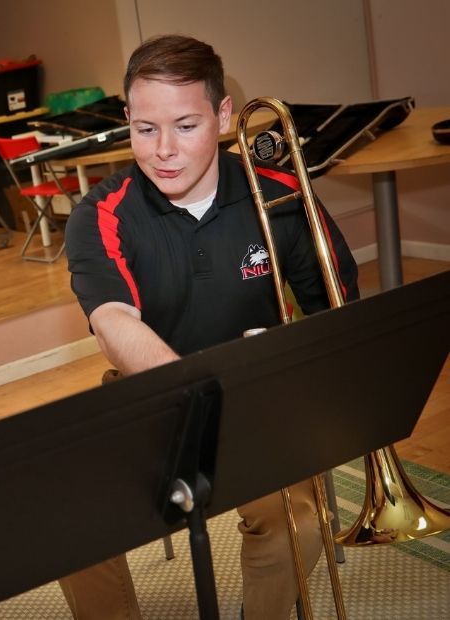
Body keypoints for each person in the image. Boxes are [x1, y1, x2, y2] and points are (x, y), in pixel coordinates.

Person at [62, 35, 359, 619]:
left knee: (297, 520)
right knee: (65, 519)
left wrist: (287, 360)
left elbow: (338, 319)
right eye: (145, 129)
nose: (164, 150)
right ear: (127, 119)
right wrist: (200, 396)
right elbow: (113, 321)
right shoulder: (100, 213)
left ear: (224, 117)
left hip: (259, 400)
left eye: (186, 125)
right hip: (147, 401)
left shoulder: (281, 196)